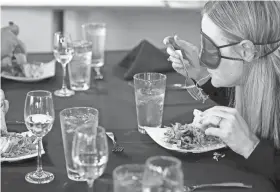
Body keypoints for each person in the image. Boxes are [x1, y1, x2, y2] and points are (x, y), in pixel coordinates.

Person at [164, 0, 280, 185]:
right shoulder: (255, 80)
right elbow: (232, 97)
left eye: (210, 49)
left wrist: (250, 147)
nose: (202, 57)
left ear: (246, 50)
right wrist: (199, 73)